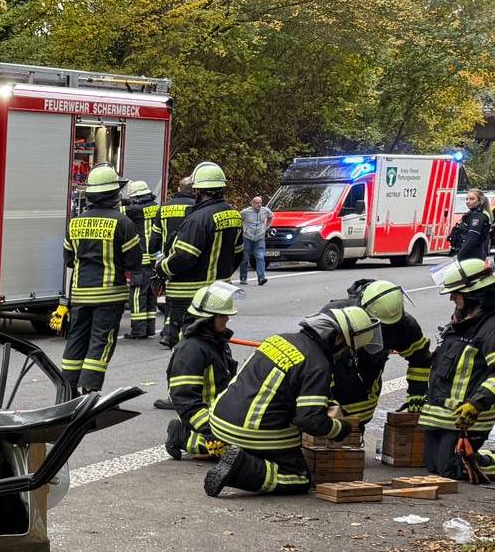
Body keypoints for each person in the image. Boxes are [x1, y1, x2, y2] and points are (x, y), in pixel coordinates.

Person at [202, 306, 377, 496]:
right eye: (347, 349)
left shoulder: (279, 339)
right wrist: (340, 429)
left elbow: (284, 390)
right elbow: (309, 420)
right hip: (249, 431)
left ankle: (243, 456)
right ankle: (242, 468)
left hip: (219, 418)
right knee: (299, 477)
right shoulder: (318, 364)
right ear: (339, 339)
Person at [420, 259, 495, 481]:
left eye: (456, 293)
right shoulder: (461, 321)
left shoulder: (494, 328)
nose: (451, 298)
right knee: (432, 465)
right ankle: (490, 454)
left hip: (468, 417)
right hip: (441, 416)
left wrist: (477, 403)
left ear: (474, 295)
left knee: (454, 469)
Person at [59, 165, 140, 393]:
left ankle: (68, 389)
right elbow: (133, 261)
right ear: (114, 195)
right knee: (101, 341)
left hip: (80, 294)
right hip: (109, 295)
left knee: (76, 340)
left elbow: (68, 259)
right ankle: (89, 390)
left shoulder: (75, 222)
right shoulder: (123, 223)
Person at [319, 279, 429, 430]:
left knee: (352, 446)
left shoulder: (402, 325)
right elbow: (316, 362)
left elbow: (420, 359)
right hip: (330, 410)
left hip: (364, 407)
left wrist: (417, 393)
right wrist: (326, 400)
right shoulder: (335, 316)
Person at [158, 163, 244, 348]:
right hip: (219, 292)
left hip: (189, 294)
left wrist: (161, 268)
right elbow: (238, 254)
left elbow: (184, 256)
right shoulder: (233, 215)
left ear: (198, 191)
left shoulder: (198, 219)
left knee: (187, 344)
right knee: (214, 341)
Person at [164, 282, 240, 460]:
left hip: (222, 414)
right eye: (223, 316)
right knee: (236, 452)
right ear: (208, 318)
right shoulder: (191, 350)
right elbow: (184, 398)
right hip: (208, 419)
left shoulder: (215, 342)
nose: (227, 320)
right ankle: (182, 436)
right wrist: (209, 430)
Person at [156, 175, 195, 341]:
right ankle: (179, 332)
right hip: (189, 256)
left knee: (170, 296)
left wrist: (156, 255)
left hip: (167, 258)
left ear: (178, 189)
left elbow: (155, 237)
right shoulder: (197, 207)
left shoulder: (164, 207)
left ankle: (168, 331)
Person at [124, 180, 162, 339]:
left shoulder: (134, 210)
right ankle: (149, 328)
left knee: (137, 294)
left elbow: (114, 211)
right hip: (155, 260)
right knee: (151, 294)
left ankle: (138, 331)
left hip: (140, 260)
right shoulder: (157, 207)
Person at [450, 189, 491, 262]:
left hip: (472, 255)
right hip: (468, 254)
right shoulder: (471, 214)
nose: (468, 201)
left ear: (480, 201)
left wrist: (459, 256)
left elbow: (472, 238)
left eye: (472, 199)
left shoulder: (478, 216)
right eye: (467, 199)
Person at [237, 196, 270, 285]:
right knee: (245, 258)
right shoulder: (245, 212)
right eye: (257, 203)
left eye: (260, 203)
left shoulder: (265, 211)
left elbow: (271, 217)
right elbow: (238, 218)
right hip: (247, 237)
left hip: (260, 238)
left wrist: (266, 227)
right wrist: (241, 229)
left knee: (260, 257)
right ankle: (243, 277)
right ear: (252, 203)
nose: (259, 204)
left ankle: (261, 278)